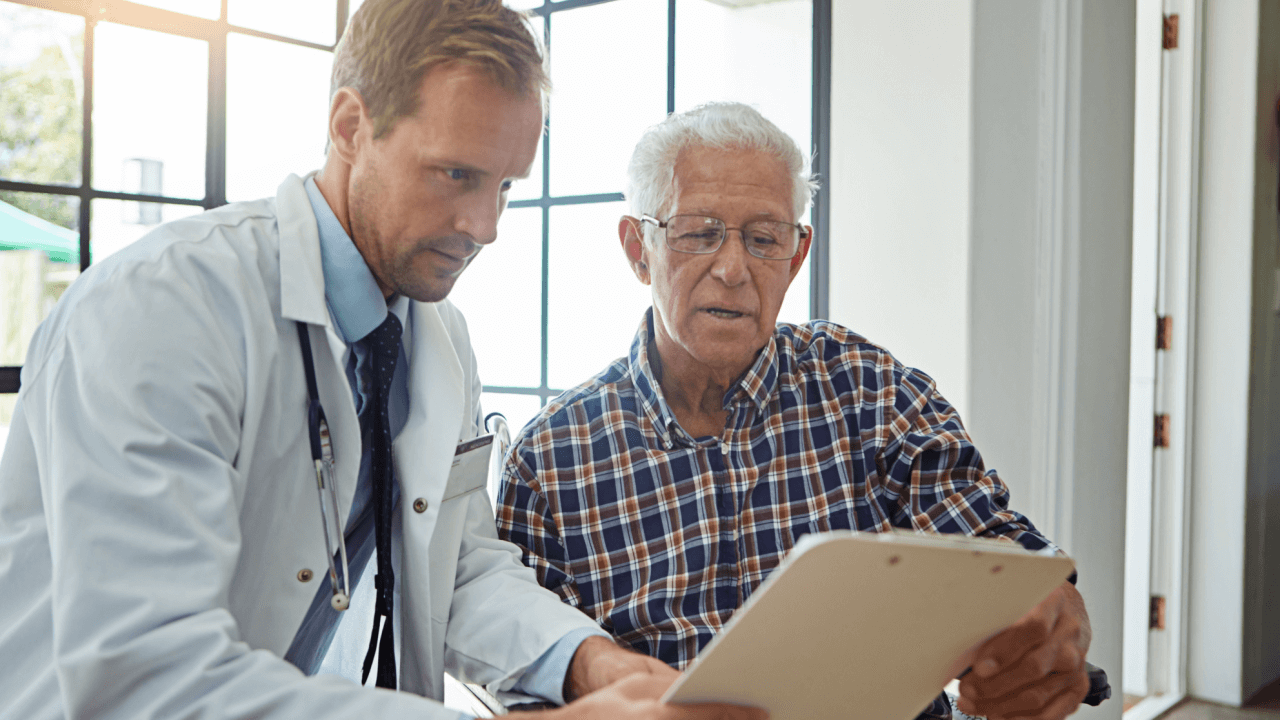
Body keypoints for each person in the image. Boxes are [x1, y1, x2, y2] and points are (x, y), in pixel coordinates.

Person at [0, 3, 767, 719]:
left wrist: (588, 662)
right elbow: (149, 674)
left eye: (505, 186)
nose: (485, 225)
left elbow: (459, 565)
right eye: (456, 175)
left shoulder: (438, 337)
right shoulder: (164, 308)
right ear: (349, 126)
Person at [496, 102, 1110, 720]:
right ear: (639, 248)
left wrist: (1051, 611)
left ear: (795, 256)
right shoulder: (552, 458)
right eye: (699, 232)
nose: (733, 269)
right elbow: (531, 678)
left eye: (764, 240)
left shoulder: (865, 387)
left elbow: (999, 552)